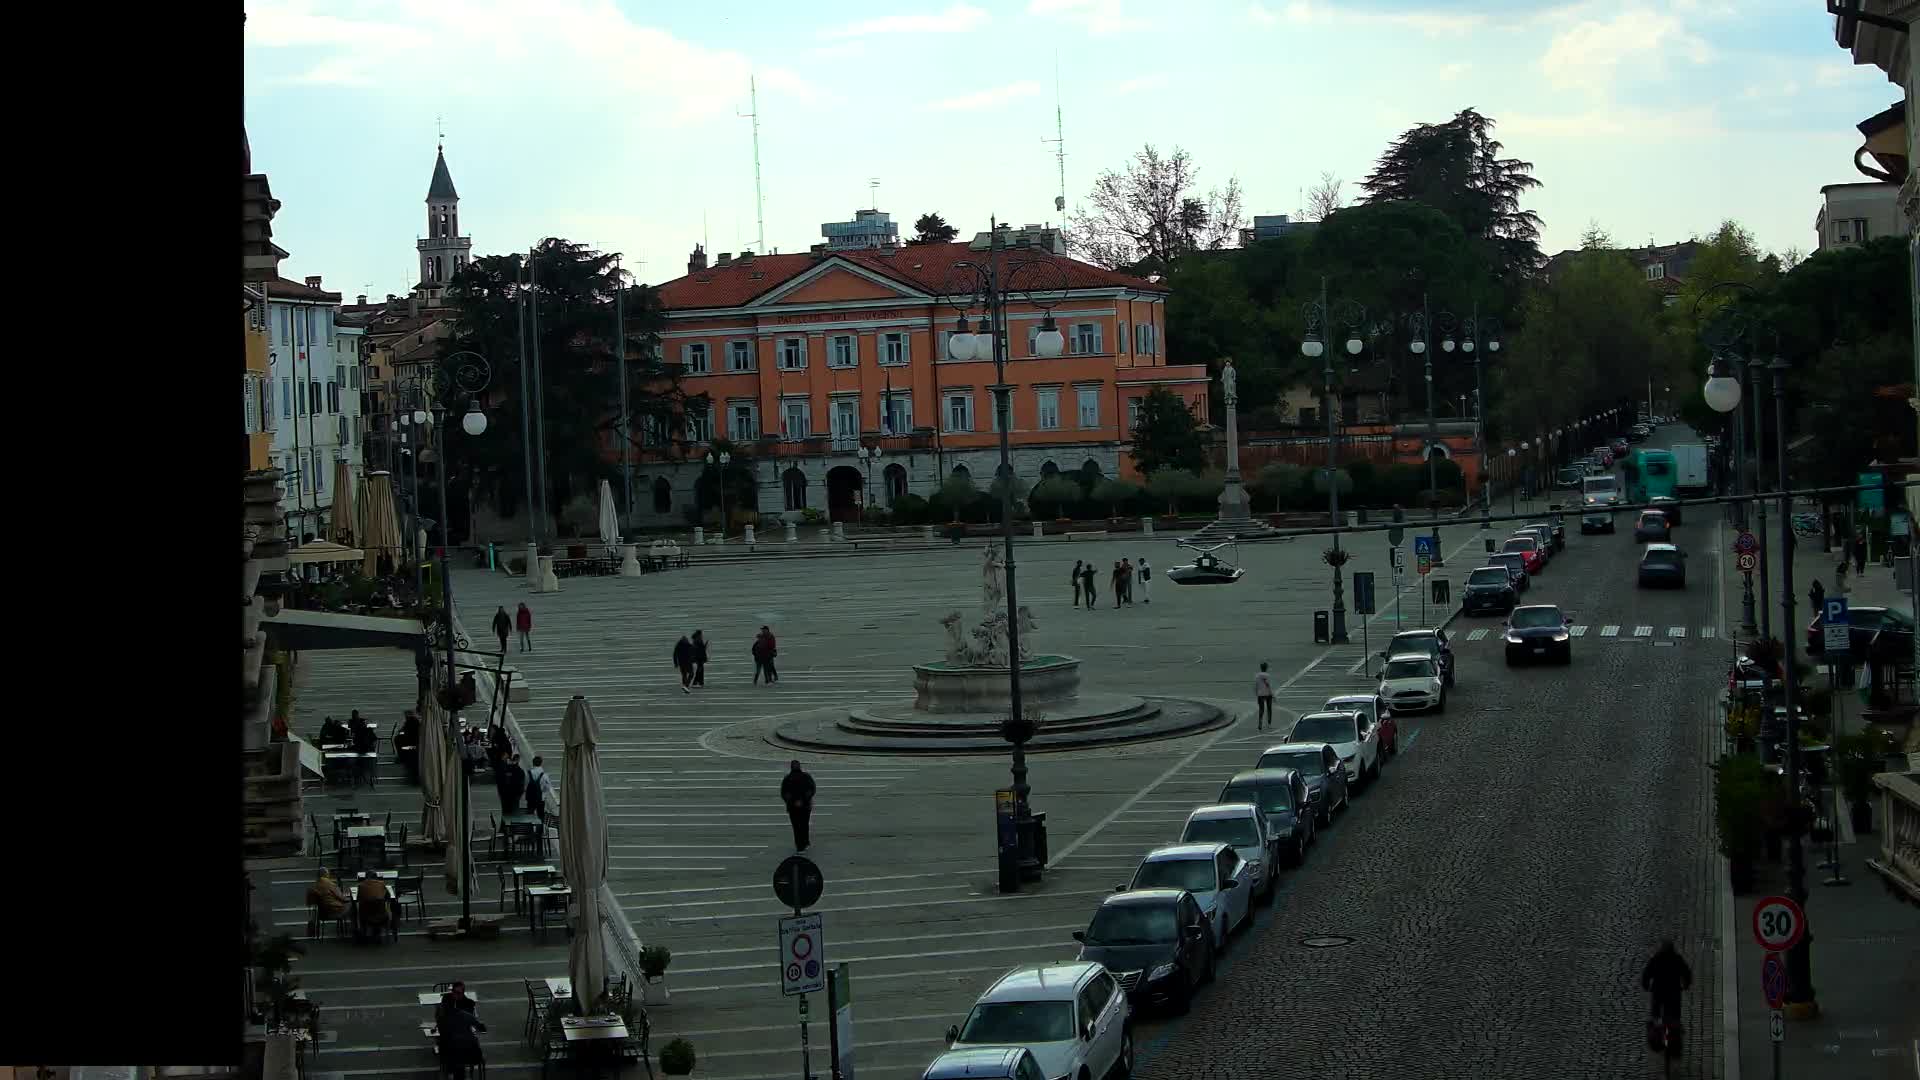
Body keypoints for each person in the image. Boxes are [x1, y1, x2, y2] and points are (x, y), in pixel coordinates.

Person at [435, 982, 487, 1080]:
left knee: (456, 1057)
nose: (456, 995)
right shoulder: (460, 1012)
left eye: (459, 993)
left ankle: (453, 1073)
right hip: (462, 1049)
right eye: (454, 992)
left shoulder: (467, 1005)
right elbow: (481, 1027)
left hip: (456, 1050)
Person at [1641, 939, 1692, 1028]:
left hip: (1658, 990)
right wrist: (1686, 984)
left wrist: (1646, 985)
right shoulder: (1677, 959)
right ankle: (1675, 1029)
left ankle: (1655, 1026)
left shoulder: (1656, 959)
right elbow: (1686, 973)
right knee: (1675, 1013)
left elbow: (1647, 973)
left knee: (1656, 1011)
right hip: (1674, 990)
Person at [781, 760, 817, 851]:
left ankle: (799, 844)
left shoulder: (787, 778)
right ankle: (805, 841)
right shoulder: (806, 777)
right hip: (805, 806)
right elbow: (811, 790)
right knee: (805, 824)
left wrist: (792, 802)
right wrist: (804, 800)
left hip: (793, 807)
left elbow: (784, 793)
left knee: (796, 826)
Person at [355, 871, 392, 941]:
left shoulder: (361, 885)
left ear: (366, 877)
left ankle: (359, 930)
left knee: (354, 908)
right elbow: (388, 897)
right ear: (376, 877)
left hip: (365, 916)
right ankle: (389, 928)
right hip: (381, 915)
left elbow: (358, 899)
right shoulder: (381, 884)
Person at [495, 752, 526, 817]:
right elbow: (522, 784)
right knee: (514, 811)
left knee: (505, 811)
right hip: (514, 794)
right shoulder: (519, 771)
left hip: (505, 793)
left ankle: (505, 825)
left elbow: (499, 780)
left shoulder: (506, 768)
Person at [396, 711, 422, 781]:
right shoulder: (416, 722)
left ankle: (402, 757)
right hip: (416, 744)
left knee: (398, 742)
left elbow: (402, 731)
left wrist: (402, 733)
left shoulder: (410, 722)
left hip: (411, 745)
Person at [524, 755, 550, 820]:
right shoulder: (544, 774)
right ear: (541, 763)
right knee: (541, 815)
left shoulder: (529, 773)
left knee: (530, 814)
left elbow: (525, 785)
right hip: (540, 798)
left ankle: (529, 828)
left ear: (533, 763)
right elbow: (547, 787)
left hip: (530, 797)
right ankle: (540, 829)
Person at [1254, 662, 1275, 730]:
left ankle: (1260, 722)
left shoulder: (1257, 676)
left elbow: (1256, 686)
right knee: (1269, 709)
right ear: (1266, 668)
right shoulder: (1267, 675)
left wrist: (1257, 693)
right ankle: (1269, 723)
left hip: (1260, 694)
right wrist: (1272, 694)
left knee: (1261, 709)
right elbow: (1268, 685)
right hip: (1268, 694)